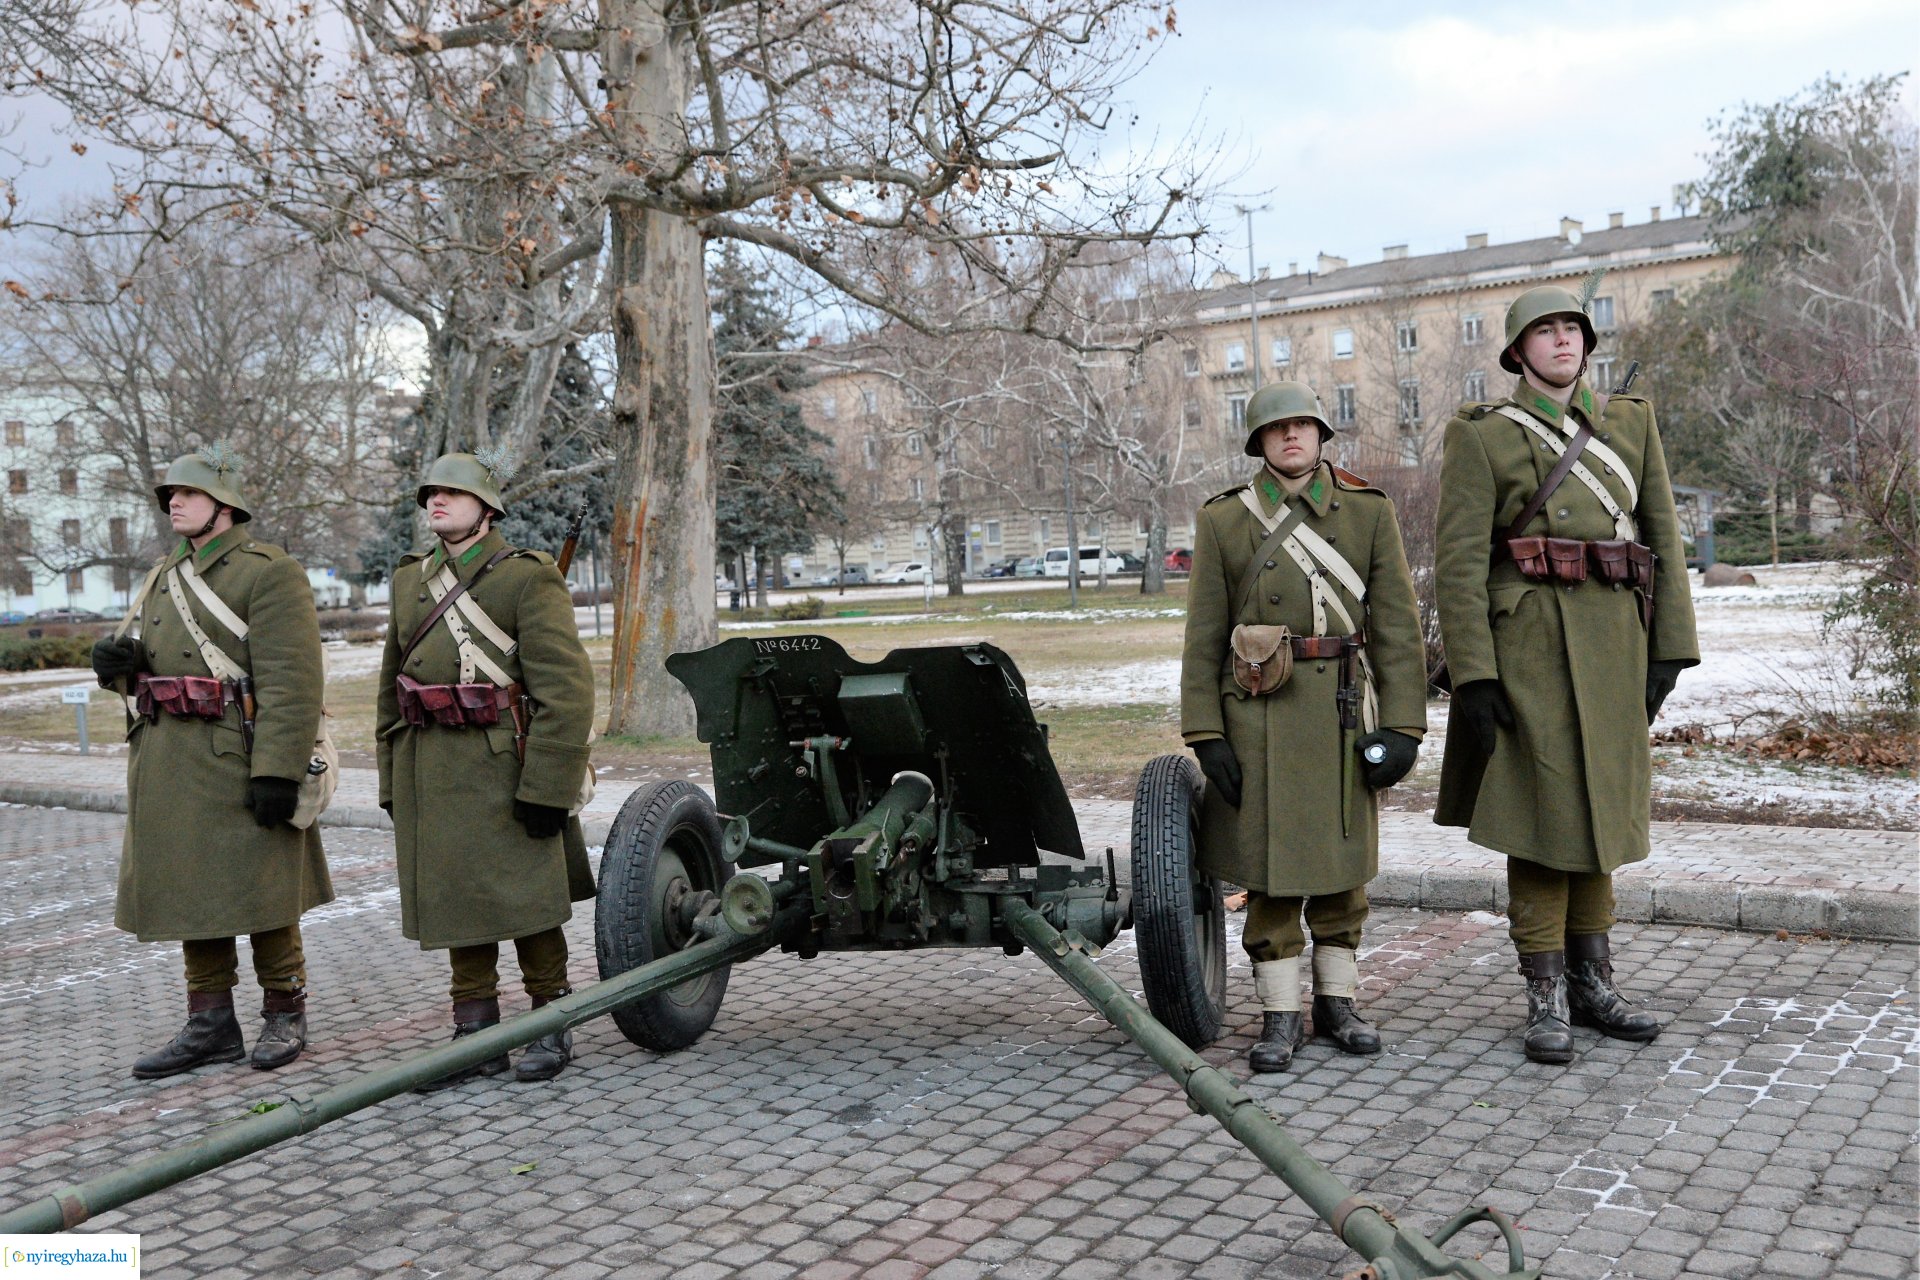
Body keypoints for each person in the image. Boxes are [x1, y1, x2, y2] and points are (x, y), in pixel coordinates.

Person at [1433, 284, 1699, 1064]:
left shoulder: (1630, 423)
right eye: (1544, 333)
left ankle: (1595, 985)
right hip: (1532, 653)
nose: (1561, 342)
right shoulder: (1482, 436)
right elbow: (1458, 565)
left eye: (1571, 330)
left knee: (1602, 822)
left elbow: (1664, 539)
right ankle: (1545, 993)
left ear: (1587, 343)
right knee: (1543, 823)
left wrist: (1670, 649)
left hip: (1616, 643)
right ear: (1517, 351)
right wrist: (1475, 675)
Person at [1180, 381, 1427, 1073]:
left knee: (1344, 870)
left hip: (1343, 713)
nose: (1292, 438)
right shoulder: (1226, 521)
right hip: (1256, 718)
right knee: (1270, 874)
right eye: (1277, 429)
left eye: (1304, 427)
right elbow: (1204, 636)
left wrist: (1404, 726)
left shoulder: (1368, 512)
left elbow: (1400, 631)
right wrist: (1206, 732)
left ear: (1322, 436)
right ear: (1258, 441)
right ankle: (1279, 1015)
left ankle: (1337, 1004)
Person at [90, 445, 332, 1077]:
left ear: (224, 505)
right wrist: (119, 669)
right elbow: (157, 663)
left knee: (264, 892)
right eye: (169, 494)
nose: (174, 501)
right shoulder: (165, 573)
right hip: (169, 757)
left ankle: (285, 1010)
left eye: (188, 493)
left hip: (239, 754)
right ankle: (210, 1023)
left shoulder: (268, 571)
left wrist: (278, 769)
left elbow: (293, 682)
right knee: (190, 892)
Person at [376, 452, 595, 1089]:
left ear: (487, 508)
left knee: (526, 900)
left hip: (506, 765)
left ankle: (549, 1020)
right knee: (455, 900)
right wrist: (392, 780)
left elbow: (567, 692)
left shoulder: (525, 578)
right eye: (431, 495)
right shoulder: (409, 581)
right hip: (432, 766)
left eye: (452, 493)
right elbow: (393, 693)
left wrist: (549, 787)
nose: (436, 502)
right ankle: (474, 1033)